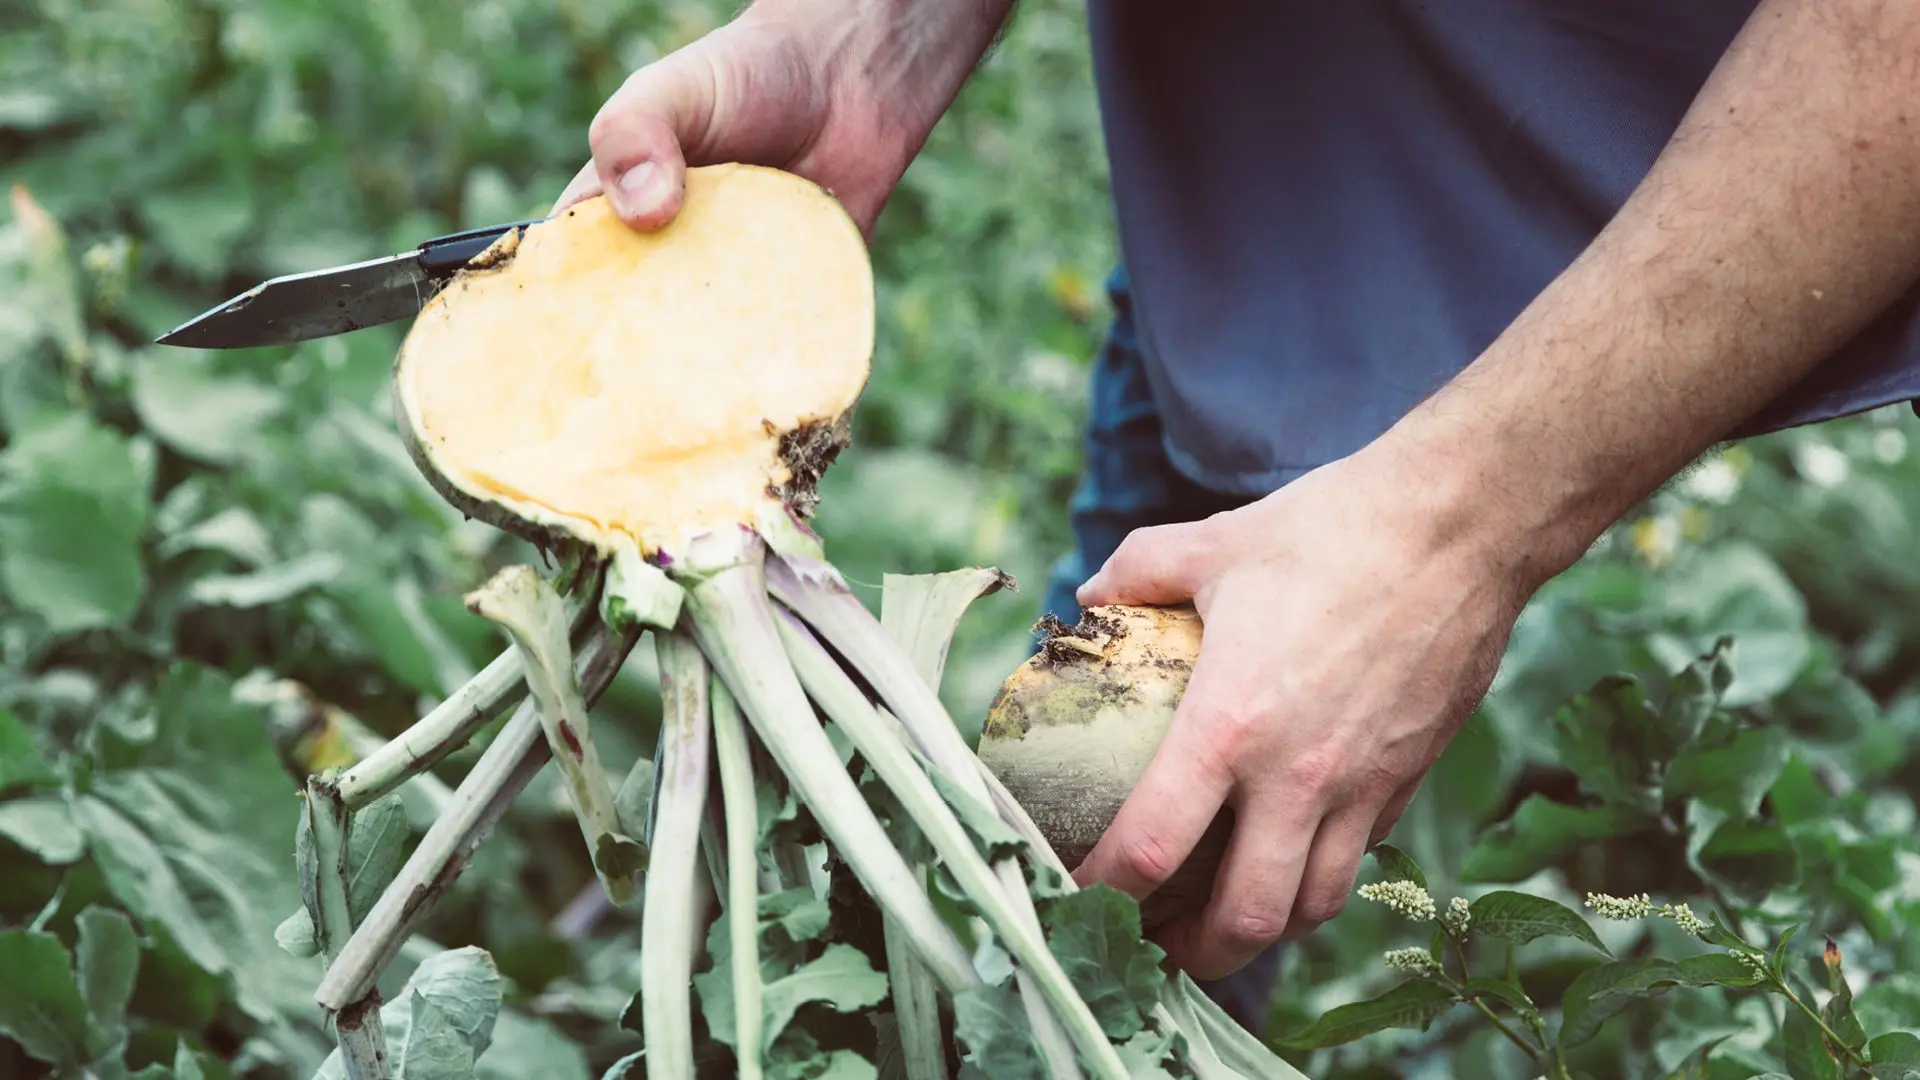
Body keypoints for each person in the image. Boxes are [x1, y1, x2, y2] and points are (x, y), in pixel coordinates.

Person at [552, 0, 1920, 1030]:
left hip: (1805, 181)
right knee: (1091, 889)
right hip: (1275, 228)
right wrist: (874, 38)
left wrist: (1455, 526)